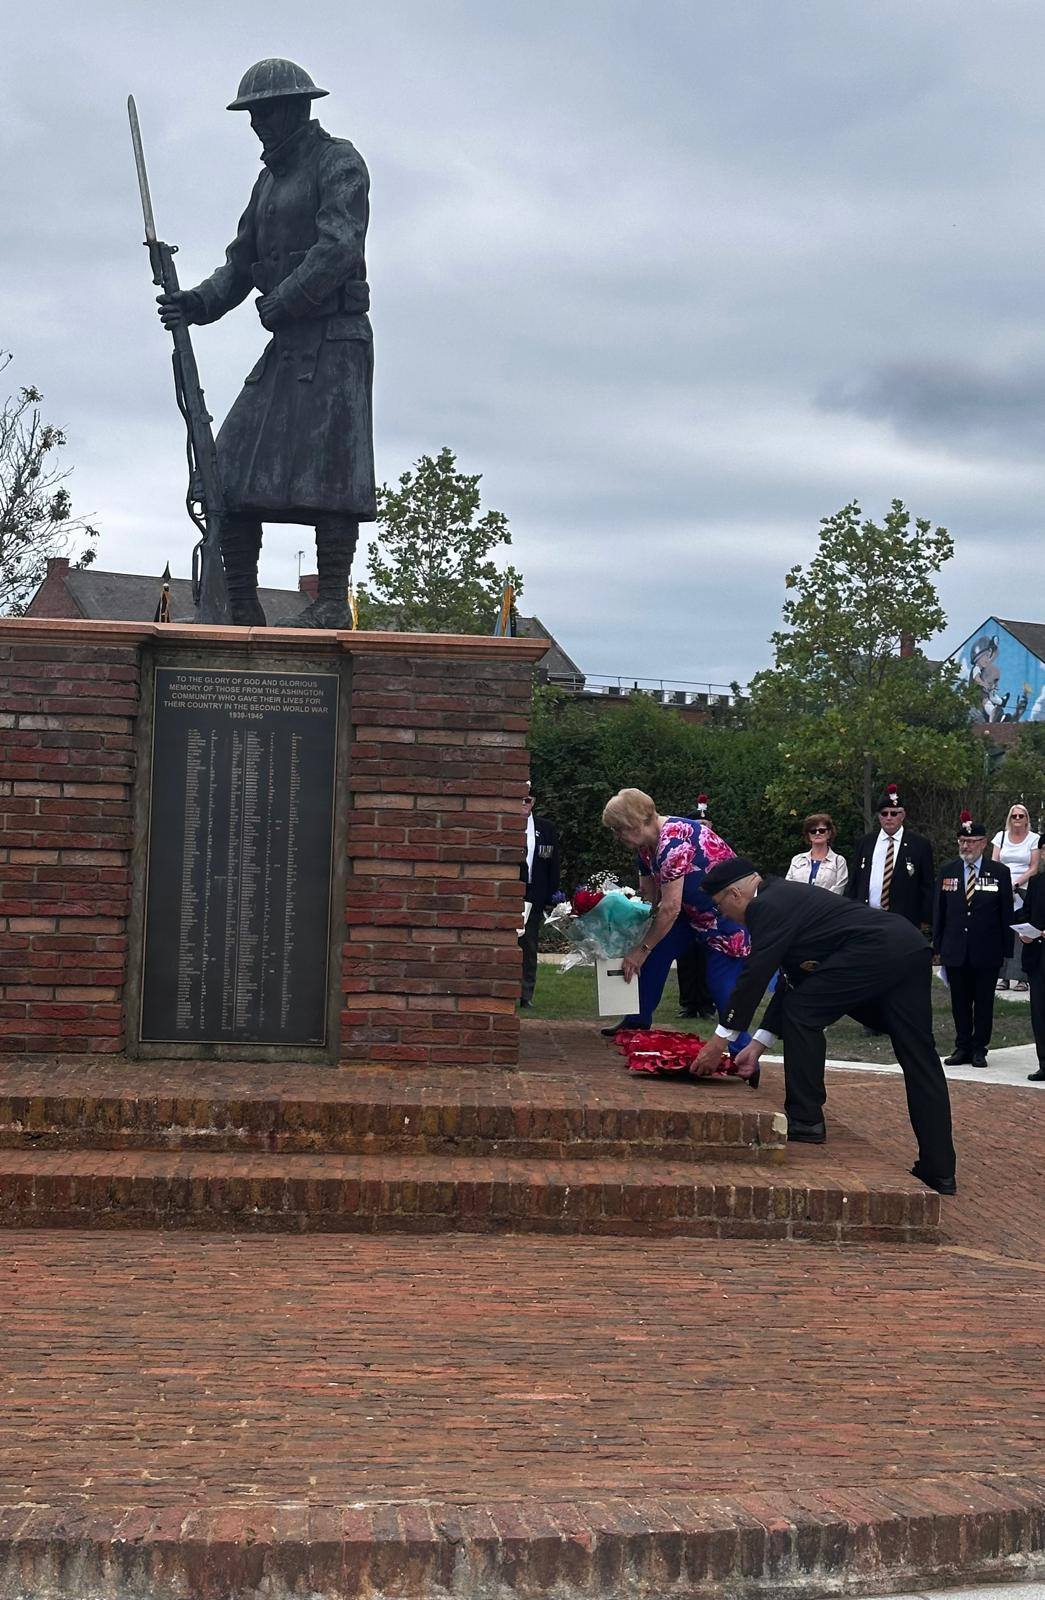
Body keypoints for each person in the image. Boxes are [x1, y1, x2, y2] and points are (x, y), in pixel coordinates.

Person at [158, 58, 375, 629]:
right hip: (288, 345)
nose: (258, 125)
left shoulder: (338, 161)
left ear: (296, 108)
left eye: (266, 112)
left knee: (331, 475)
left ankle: (332, 602)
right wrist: (197, 303)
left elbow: (341, 245)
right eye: (252, 115)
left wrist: (288, 298)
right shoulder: (268, 183)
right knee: (225, 473)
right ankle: (240, 601)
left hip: (334, 338)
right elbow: (241, 263)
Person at [693, 857, 956, 1195]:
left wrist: (720, 1041)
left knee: (803, 1012)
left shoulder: (765, 906)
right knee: (920, 1058)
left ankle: (806, 1118)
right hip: (907, 946)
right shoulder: (783, 897)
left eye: (720, 906)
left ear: (734, 894)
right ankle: (939, 1169)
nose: (724, 915)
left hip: (876, 950)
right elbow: (792, 980)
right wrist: (757, 1045)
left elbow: (756, 974)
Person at [600, 789, 751, 1049]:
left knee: (721, 984)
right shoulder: (646, 847)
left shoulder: (673, 843)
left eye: (618, 829)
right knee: (654, 956)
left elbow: (670, 907)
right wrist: (624, 924)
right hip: (690, 914)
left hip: (725, 918)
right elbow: (649, 896)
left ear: (635, 822)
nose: (617, 836)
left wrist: (641, 949)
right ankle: (636, 1022)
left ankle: (743, 1052)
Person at [934, 813, 1014, 1069]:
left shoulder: (999, 872)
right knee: (959, 1001)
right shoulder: (948, 870)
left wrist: (1007, 950)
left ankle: (980, 1048)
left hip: (987, 949)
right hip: (955, 948)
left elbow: (1006, 913)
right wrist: (938, 946)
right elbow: (940, 911)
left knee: (983, 1002)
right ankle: (962, 1046)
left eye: (971, 842)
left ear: (984, 843)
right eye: (962, 841)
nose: (966, 846)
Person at [845, 783, 934, 930]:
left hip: (904, 919)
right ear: (879, 816)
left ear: (902, 815)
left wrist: (925, 917)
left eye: (894, 813)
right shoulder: (865, 842)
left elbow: (927, 884)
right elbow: (855, 880)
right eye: (884, 813)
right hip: (867, 916)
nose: (888, 818)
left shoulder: (919, 845)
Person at [518, 786, 561, 1008]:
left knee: (529, 945)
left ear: (533, 801)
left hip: (534, 894)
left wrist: (551, 897)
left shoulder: (545, 828)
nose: (523, 804)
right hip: (511, 891)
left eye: (527, 800)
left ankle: (526, 994)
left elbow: (553, 863)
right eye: (519, 799)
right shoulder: (505, 824)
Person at [991, 804, 1041, 991]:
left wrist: (1016, 884)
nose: (1017, 819)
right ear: (1009, 818)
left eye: (1021, 816)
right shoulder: (1000, 836)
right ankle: (1003, 976)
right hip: (1001, 889)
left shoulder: (1034, 839)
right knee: (1002, 931)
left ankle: (1022, 977)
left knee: (1022, 932)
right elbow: (994, 862)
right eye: (1014, 816)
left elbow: (1034, 867)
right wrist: (1003, 885)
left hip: (1024, 888)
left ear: (1027, 818)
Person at [676, 791, 716, 1019]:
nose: (704, 828)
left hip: (710, 909)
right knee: (687, 957)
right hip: (686, 908)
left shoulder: (718, 847)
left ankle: (707, 1004)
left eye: (706, 824)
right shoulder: (681, 848)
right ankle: (689, 1003)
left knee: (708, 958)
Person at [1017, 865, 1045, 1082]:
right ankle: (1044, 1063)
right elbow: (1026, 912)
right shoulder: (1037, 882)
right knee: (1040, 1013)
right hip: (1038, 957)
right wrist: (1024, 931)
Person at [785, 813, 849, 893]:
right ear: (808, 835)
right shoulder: (797, 860)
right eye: (813, 831)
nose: (817, 833)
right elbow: (788, 887)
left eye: (822, 831)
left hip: (827, 901)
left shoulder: (839, 861)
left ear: (829, 833)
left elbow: (838, 890)